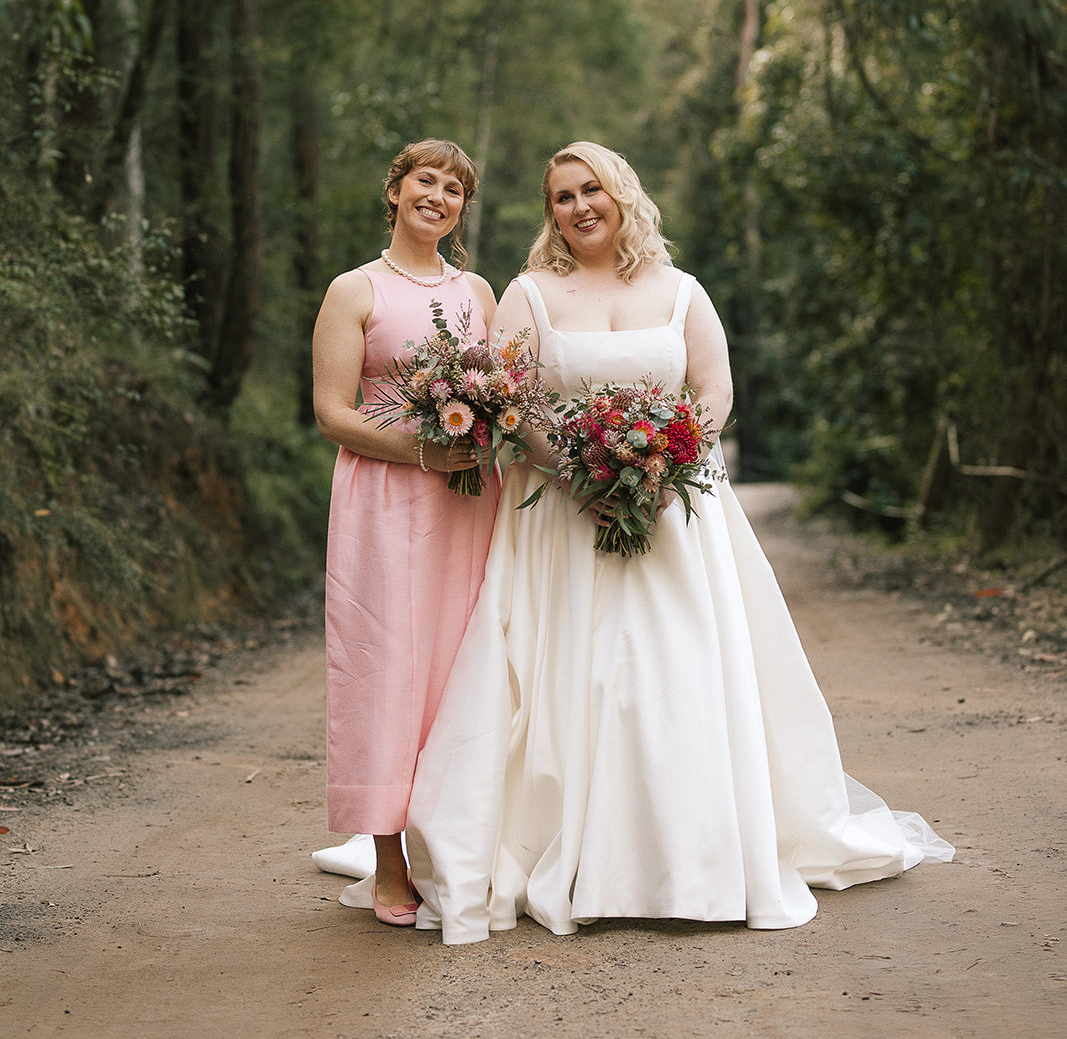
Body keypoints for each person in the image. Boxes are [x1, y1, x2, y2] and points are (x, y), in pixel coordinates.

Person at [369, 140, 951, 943]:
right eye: (561, 197)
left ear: (621, 194)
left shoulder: (681, 291)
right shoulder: (530, 293)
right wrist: (581, 473)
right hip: (562, 518)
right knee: (579, 676)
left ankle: (692, 857)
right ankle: (569, 852)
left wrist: (664, 461)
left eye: (590, 190)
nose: (578, 207)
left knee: (673, 673)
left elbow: (712, 389)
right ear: (551, 214)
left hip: (674, 513)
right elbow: (515, 401)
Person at [310, 139, 499, 926]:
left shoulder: (478, 292)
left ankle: (461, 846)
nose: (440, 195)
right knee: (387, 669)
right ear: (394, 190)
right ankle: (389, 860)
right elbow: (332, 411)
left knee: (464, 665)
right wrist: (419, 449)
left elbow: (503, 387)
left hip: (465, 500)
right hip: (383, 501)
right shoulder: (353, 291)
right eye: (426, 179)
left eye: (455, 188)